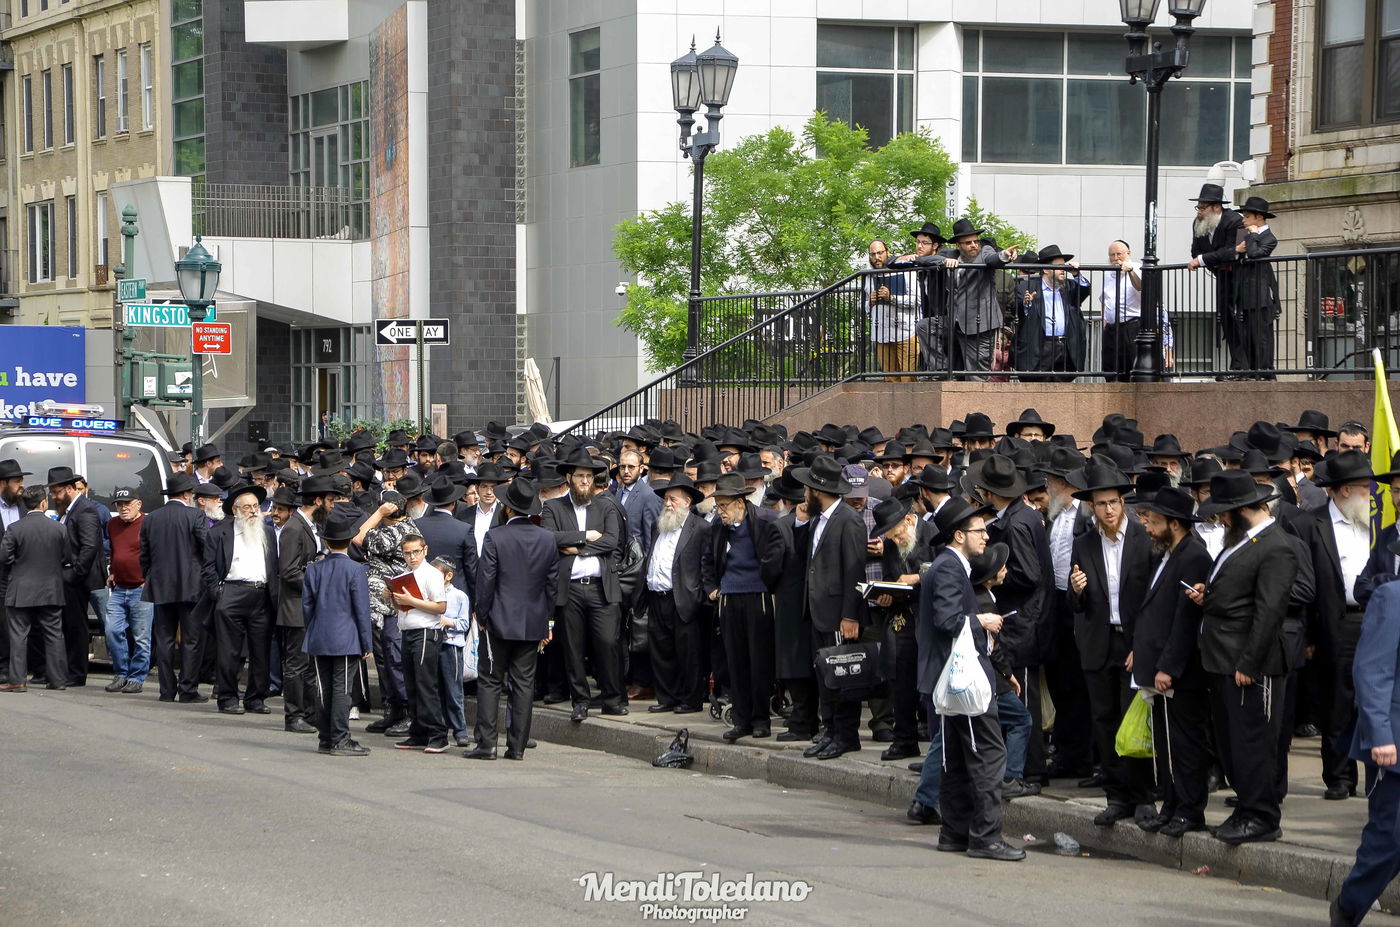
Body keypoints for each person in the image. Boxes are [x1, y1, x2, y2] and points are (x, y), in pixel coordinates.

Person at [1189, 469, 1297, 845]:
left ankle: (1262, 816)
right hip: (1222, 659)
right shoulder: (1239, 541)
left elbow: (1269, 611)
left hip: (1250, 665)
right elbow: (1237, 591)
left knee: (1253, 743)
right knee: (1232, 742)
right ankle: (1247, 808)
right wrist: (1209, 594)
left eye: (1223, 512)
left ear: (1241, 510)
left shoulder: (1276, 546)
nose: (1219, 519)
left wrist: (1249, 663)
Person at [916, 496, 1024, 861]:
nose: (986, 537)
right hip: (962, 680)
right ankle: (986, 837)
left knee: (959, 757)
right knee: (989, 755)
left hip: (951, 679)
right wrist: (983, 620)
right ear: (959, 535)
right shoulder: (949, 568)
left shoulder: (949, 566)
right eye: (979, 531)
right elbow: (947, 621)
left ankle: (954, 832)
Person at [1067, 456, 1156, 827]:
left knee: (1136, 721)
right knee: (1104, 721)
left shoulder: (1143, 538)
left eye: (1114, 502)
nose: (1108, 510)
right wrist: (1075, 590)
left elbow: (1154, 598)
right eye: (1101, 503)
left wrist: (1145, 646)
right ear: (1092, 506)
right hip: (1099, 642)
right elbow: (1076, 602)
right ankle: (1117, 796)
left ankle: (1145, 798)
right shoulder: (1085, 543)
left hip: (1135, 643)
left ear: (1123, 503)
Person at [1290, 450, 1376, 801]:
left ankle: (1377, 776)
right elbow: (1302, 585)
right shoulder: (1309, 525)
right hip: (1334, 624)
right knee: (1337, 704)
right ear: (1344, 490)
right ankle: (1340, 777)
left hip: (1375, 620)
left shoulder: (1376, 521)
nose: (1371, 493)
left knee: (1374, 701)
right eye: (1365, 487)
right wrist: (1309, 635)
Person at [1131, 487, 1214, 837]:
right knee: (1167, 745)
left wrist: (1168, 666)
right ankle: (1172, 805)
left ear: (1175, 524)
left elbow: (1185, 620)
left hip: (1181, 672)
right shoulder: (1167, 554)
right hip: (1158, 665)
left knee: (1186, 744)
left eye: (1154, 522)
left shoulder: (1193, 556)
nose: (1148, 528)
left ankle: (1190, 810)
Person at [468, 478, 559, 761]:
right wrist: (548, 621)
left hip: (498, 619)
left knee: (490, 681)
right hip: (532, 621)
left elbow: (486, 580)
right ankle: (517, 746)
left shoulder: (495, 537)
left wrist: (482, 614)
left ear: (508, 508)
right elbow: (552, 586)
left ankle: (487, 744)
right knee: (523, 684)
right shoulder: (547, 538)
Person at [1331, 581, 1400, 927]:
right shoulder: (1393, 597)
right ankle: (1348, 905)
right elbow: (1371, 670)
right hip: (1394, 741)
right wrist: (1380, 734)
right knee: (1390, 838)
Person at [542, 448, 626, 722]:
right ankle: (580, 701)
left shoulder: (605, 506)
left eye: (589, 477)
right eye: (580, 476)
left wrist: (576, 548)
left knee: (608, 642)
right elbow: (550, 538)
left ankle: (613, 699)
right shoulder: (554, 507)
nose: (585, 481)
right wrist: (586, 536)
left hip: (602, 587)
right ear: (569, 478)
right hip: (571, 589)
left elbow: (611, 540)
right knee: (573, 647)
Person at [793, 455, 868, 760]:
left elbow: (854, 570)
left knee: (842, 676)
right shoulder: (817, 520)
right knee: (825, 675)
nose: (804, 494)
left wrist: (850, 615)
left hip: (838, 614)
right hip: (818, 611)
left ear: (818, 490)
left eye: (807, 489)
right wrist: (800, 523)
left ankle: (846, 735)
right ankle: (830, 731)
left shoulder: (848, 520)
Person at [705, 472, 789, 741]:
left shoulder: (765, 521)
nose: (720, 511)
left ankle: (761, 720)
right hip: (729, 599)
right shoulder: (718, 528)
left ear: (740, 503)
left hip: (758, 598)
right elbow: (707, 560)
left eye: (724, 506)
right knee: (736, 662)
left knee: (760, 663)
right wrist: (712, 587)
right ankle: (742, 720)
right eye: (717, 506)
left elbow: (777, 558)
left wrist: (768, 583)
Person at [302, 505, 373, 756]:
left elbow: (307, 606)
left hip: (319, 635)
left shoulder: (314, 568)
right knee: (342, 689)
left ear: (327, 541)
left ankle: (326, 737)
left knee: (324, 688)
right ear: (349, 540)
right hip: (346, 637)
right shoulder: (356, 569)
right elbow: (361, 609)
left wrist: (313, 629)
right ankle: (340, 738)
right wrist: (366, 642)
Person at [202, 484, 279, 716]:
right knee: (229, 651)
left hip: (261, 594)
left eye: (256, 506)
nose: (253, 511)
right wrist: (219, 594)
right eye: (247, 507)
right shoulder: (219, 533)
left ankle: (256, 698)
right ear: (235, 510)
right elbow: (208, 568)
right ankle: (227, 697)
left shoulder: (267, 532)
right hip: (232, 592)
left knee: (261, 651)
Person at [869, 496, 932, 762]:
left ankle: (935, 743)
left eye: (897, 535)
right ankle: (904, 739)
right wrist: (886, 594)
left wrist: (917, 577)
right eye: (891, 538)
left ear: (908, 520)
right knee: (900, 680)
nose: (895, 541)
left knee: (931, 684)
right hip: (902, 617)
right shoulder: (891, 544)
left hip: (930, 617)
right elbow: (889, 576)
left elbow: (948, 569)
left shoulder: (932, 534)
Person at [642, 474, 711, 714]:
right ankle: (667, 698)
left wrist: (699, 596)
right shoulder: (658, 525)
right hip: (657, 596)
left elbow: (706, 565)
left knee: (688, 653)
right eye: (666, 499)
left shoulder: (700, 528)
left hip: (684, 599)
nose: (668, 503)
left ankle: (691, 700)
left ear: (687, 502)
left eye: (673, 499)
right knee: (661, 651)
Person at [141, 472, 210, 703]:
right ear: (186, 494)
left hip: (161, 586)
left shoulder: (151, 518)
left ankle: (166, 690)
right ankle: (188, 689)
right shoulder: (195, 515)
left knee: (164, 640)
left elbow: (144, 555)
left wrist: (150, 577)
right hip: (191, 586)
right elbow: (206, 548)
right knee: (192, 639)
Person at [277, 475, 335, 734]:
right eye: (330, 500)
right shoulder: (293, 528)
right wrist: (318, 583)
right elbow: (288, 572)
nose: (332, 505)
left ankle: (311, 713)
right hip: (296, 607)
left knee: (310, 665)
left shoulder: (312, 526)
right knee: (296, 664)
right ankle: (294, 716)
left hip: (309, 608)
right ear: (318, 500)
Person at [0, 485, 71, 691]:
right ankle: (57, 680)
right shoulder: (59, 528)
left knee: (18, 635)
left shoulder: (14, 528)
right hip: (51, 589)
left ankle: (17, 680)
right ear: (43, 503)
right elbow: (67, 557)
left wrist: (18, 563)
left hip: (20, 589)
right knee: (54, 635)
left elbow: (4, 557)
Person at [390, 532, 451, 753]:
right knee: (412, 685)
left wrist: (411, 600)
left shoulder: (431, 574)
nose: (412, 557)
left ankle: (438, 734)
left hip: (426, 632)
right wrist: (395, 599)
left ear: (425, 550)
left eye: (416, 552)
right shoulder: (405, 574)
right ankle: (419, 732)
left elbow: (441, 606)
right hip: (408, 630)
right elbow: (404, 608)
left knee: (426, 684)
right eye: (407, 553)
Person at [46, 466, 105, 687]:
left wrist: (74, 574)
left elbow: (89, 547)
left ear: (70, 489)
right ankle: (67, 669)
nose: (53, 497)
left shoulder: (85, 510)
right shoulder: (68, 510)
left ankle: (76, 672)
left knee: (76, 626)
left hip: (77, 579)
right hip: (66, 576)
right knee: (68, 625)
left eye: (56, 492)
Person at [1186, 183, 1246, 377]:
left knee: (1240, 319)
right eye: (1198, 207)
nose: (1199, 211)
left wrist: (1204, 259)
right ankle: (1237, 366)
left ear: (1217, 207)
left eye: (1203, 207)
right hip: (1222, 277)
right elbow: (1195, 251)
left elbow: (1235, 252)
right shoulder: (1198, 223)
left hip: (1241, 277)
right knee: (1226, 319)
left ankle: (1244, 367)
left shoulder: (1236, 221)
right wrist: (1215, 261)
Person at [1012, 244, 1091, 380]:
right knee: (1037, 385)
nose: (1063, 270)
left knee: (1063, 386)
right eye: (1059, 266)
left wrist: (1076, 274)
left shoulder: (1069, 286)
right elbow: (1015, 309)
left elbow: (1084, 290)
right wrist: (1026, 303)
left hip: (1064, 347)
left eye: (1064, 266)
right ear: (1046, 269)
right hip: (1040, 347)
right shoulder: (1027, 287)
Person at [104, 488, 152, 694]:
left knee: (141, 637)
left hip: (141, 589)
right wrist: (113, 572)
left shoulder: (148, 523)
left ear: (138, 504)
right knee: (112, 631)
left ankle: (137, 677)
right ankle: (121, 673)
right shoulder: (112, 524)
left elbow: (157, 554)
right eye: (119, 504)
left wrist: (149, 580)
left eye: (127, 504)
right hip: (119, 587)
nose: (123, 508)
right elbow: (115, 551)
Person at [1232, 195, 1281, 379]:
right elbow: (1237, 256)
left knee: (1262, 336)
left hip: (1260, 294)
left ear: (1259, 217)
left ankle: (1266, 372)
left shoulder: (1269, 238)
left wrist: (1252, 235)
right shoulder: (1244, 235)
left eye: (1247, 217)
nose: (1243, 220)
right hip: (1245, 293)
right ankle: (1251, 371)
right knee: (1247, 335)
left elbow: (1254, 254)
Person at [863, 238, 919, 381]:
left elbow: (916, 300)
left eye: (880, 253)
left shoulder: (905, 270)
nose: (876, 257)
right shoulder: (868, 276)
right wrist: (870, 302)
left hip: (905, 331)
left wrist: (891, 298)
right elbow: (862, 306)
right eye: (872, 254)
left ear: (887, 252)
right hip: (881, 333)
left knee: (908, 379)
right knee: (890, 380)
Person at [431, 557, 471, 747]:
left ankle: (460, 730)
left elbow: (464, 624)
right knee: (436, 690)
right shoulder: (430, 594)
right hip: (433, 644)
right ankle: (440, 729)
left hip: (451, 646)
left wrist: (448, 622)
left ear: (448, 576)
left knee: (454, 690)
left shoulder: (459, 596)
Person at [1100, 240, 1143, 381]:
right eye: (1112, 255)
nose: (1115, 258)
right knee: (1110, 367)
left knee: (1133, 366)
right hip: (1112, 327)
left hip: (1132, 325)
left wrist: (1130, 271)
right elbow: (1104, 298)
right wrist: (1104, 319)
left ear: (1128, 253)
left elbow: (1140, 287)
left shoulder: (1138, 267)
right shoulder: (1108, 273)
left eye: (1119, 254)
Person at [614, 449, 662, 543]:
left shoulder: (649, 495)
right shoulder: (619, 493)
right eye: (623, 467)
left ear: (641, 468)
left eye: (631, 467)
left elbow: (650, 536)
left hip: (638, 550)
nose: (626, 471)